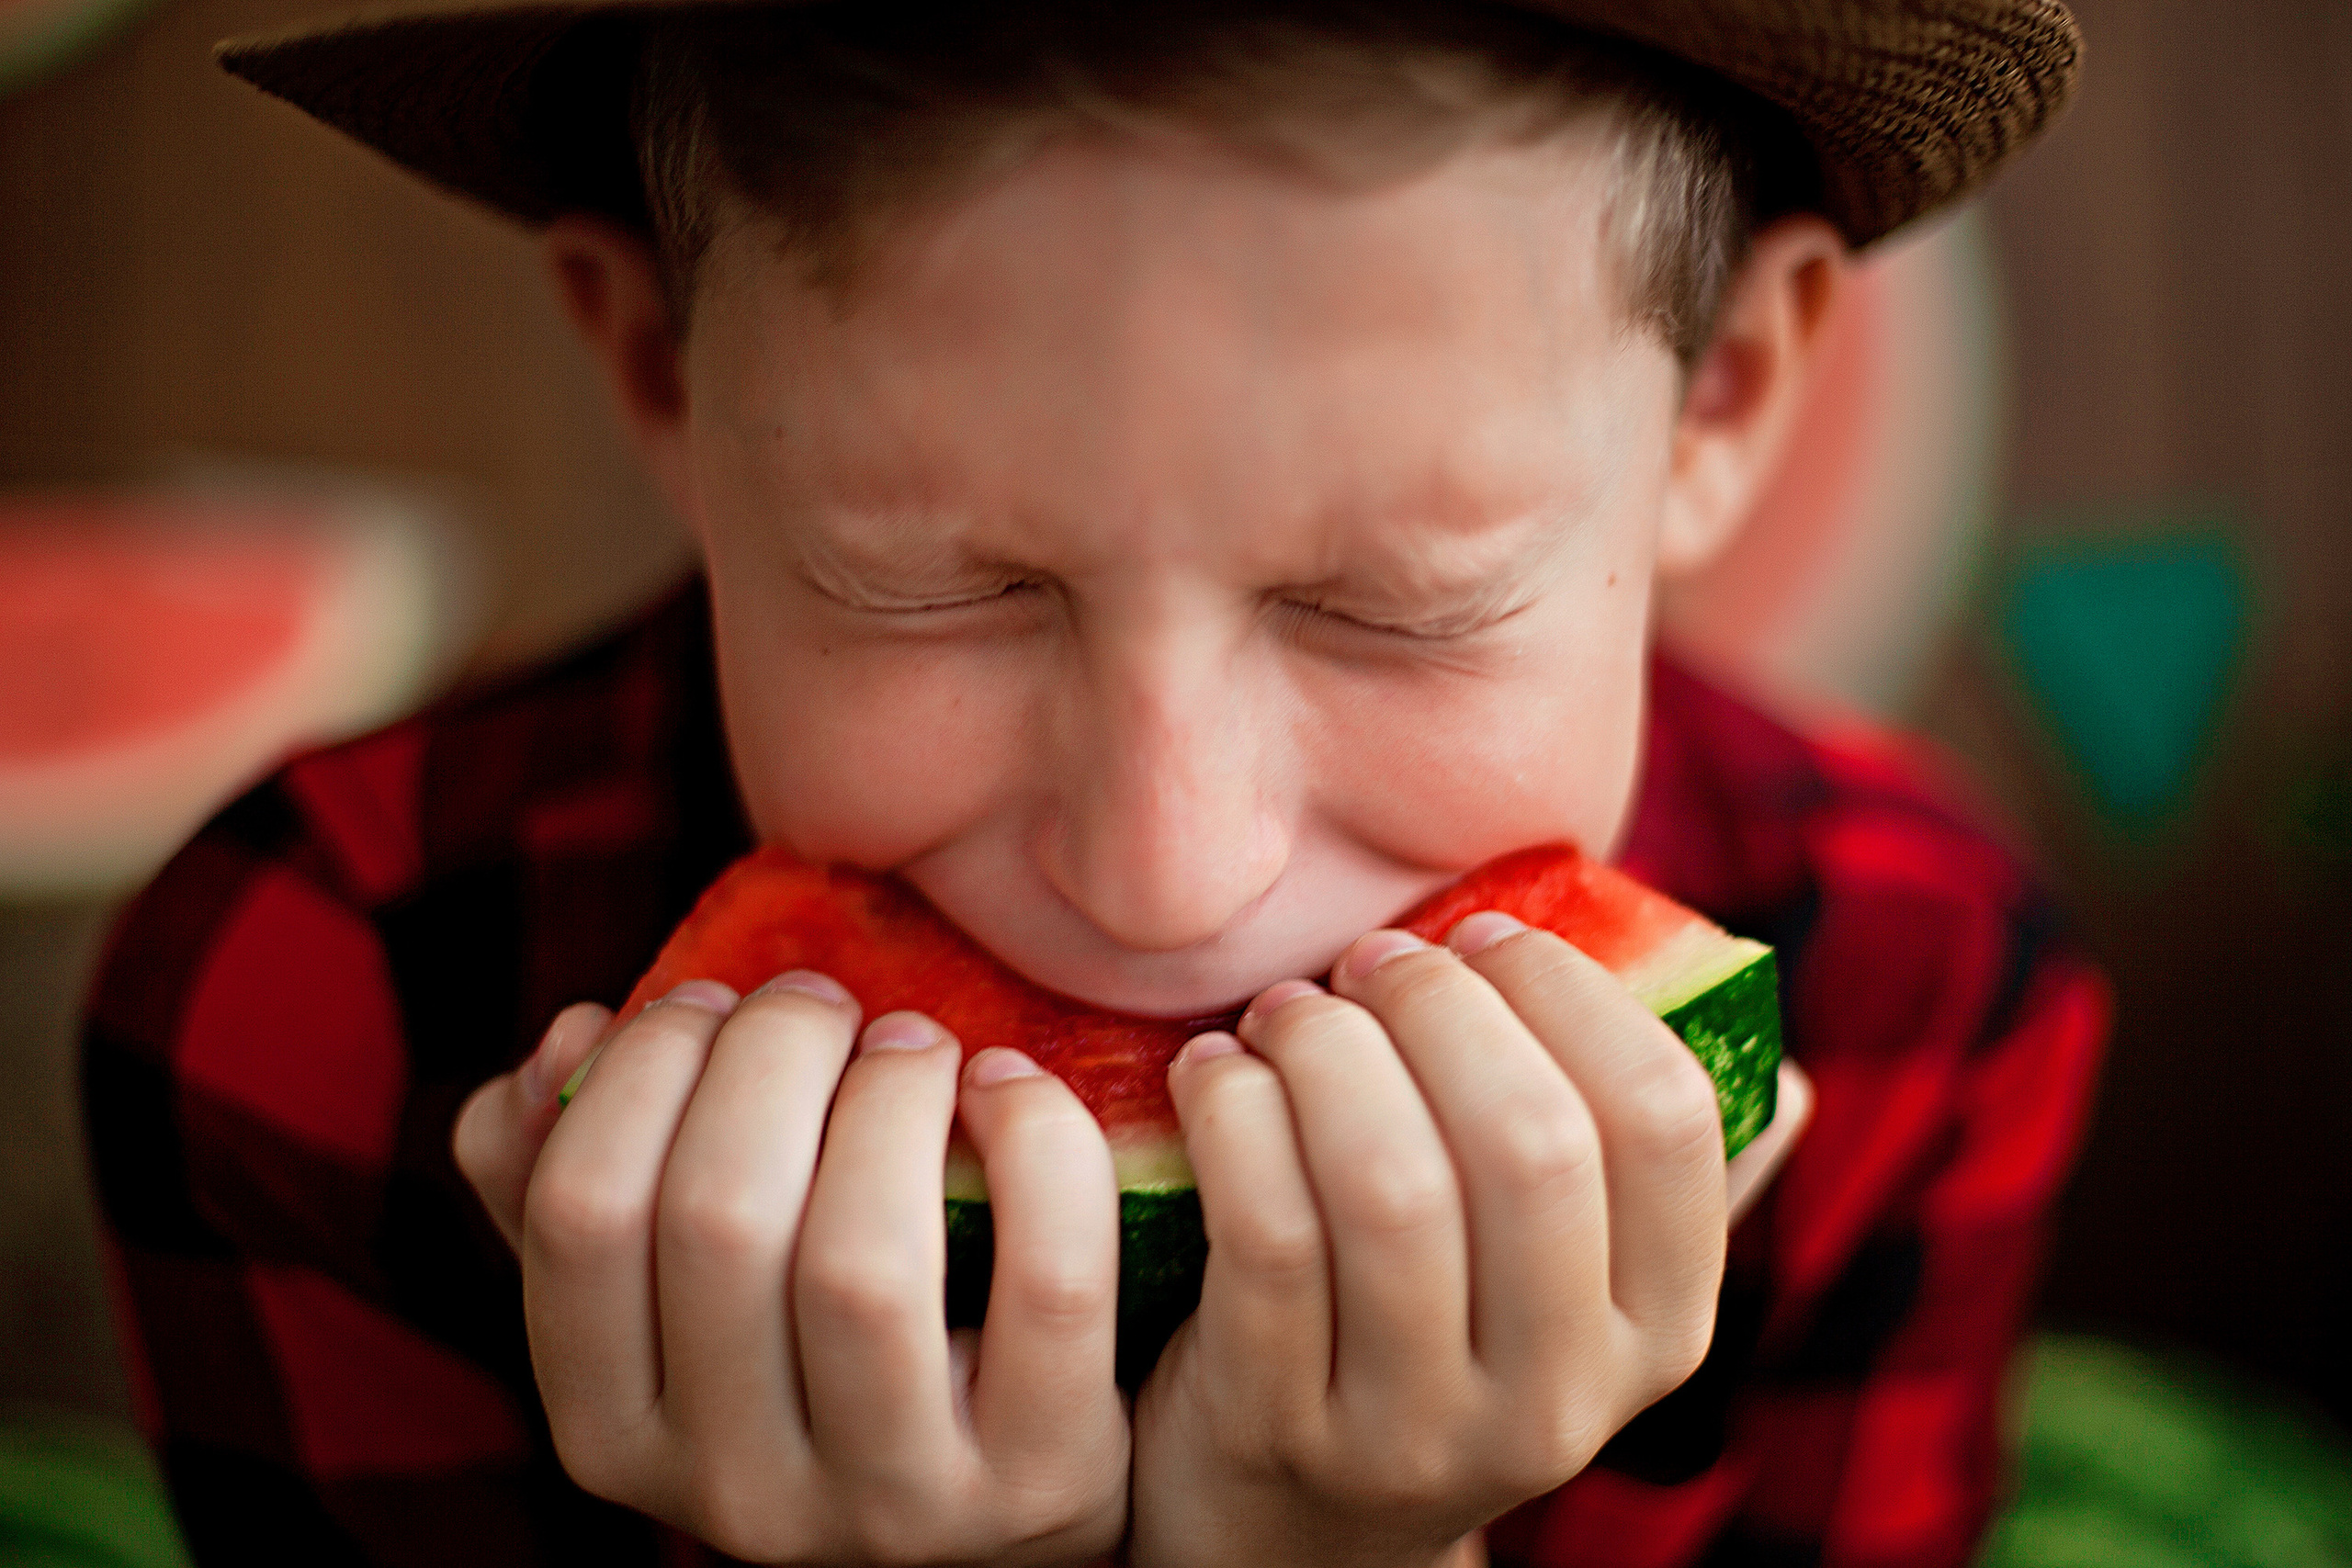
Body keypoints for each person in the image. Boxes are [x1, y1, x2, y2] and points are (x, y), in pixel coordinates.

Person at [82, 1, 2110, 1562]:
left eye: (1382, 607)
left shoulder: (1921, 986)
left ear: (1724, 399)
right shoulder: (301, 996)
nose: (1163, 870)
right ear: (659, 374)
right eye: (936, 585)